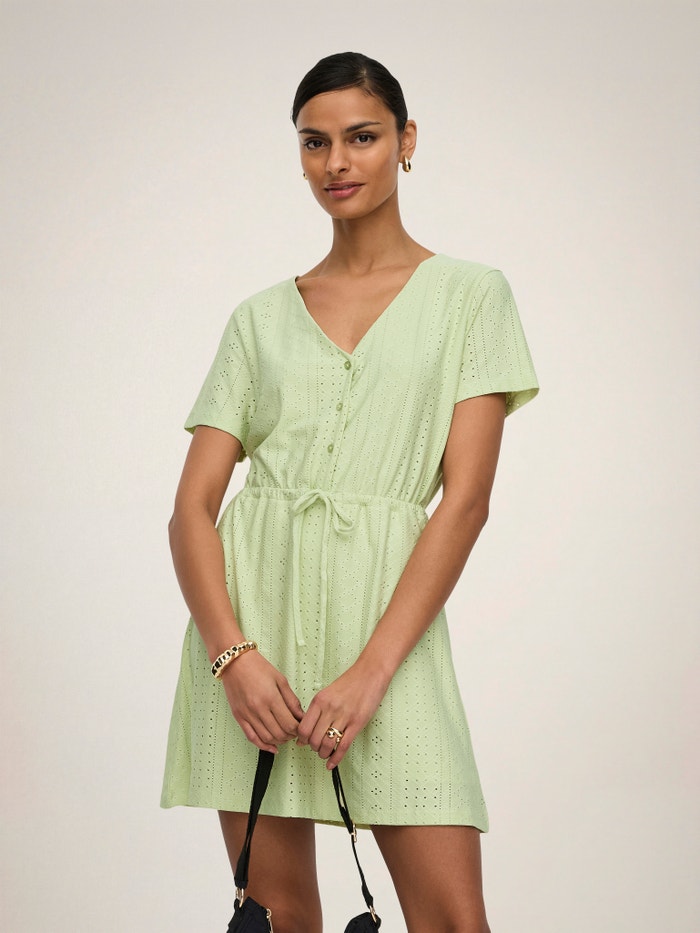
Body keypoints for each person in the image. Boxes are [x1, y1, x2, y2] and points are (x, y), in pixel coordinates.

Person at [161, 51, 538, 933]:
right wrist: (232, 658)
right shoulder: (259, 317)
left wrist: (372, 673)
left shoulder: (471, 298)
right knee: (279, 915)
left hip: (389, 644)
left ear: (406, 141)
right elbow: (191, 509)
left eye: (361, 137)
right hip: (252, 649)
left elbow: (466, 500)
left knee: (452, 919)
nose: (336, 162)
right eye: (314, 142)